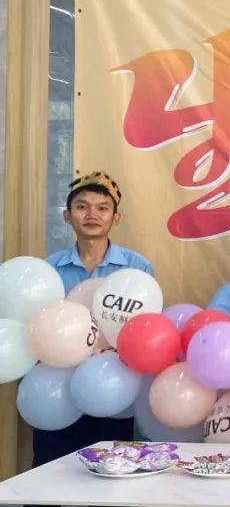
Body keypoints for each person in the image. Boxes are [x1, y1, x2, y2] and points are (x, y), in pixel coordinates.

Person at [36, 172, 154, 466]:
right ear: (67, 216)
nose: (92, 215)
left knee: (113, 471)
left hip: (113, 385)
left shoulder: (136, 269)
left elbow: (147, 329)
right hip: (58, 388)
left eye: (103, 208)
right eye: (82, 206)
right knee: (54, 471)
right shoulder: (49, 270)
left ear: (116, 218)